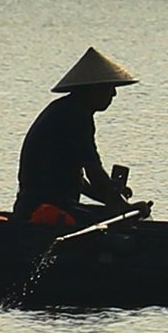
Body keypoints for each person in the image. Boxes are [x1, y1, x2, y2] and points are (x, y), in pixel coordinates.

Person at [17, 48, 137, 224]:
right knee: (117, 224)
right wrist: (124, 207)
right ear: (91, 89)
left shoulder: (67, 110)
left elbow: (80, 182)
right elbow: (95, 175)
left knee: (109, 216)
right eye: (109, 88)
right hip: (43, 209)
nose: (113, 94)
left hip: (39, 205)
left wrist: (113, 199)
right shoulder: (75, 117)